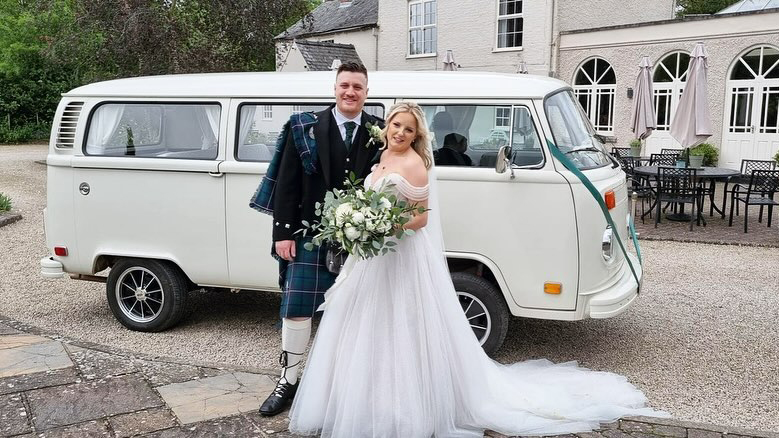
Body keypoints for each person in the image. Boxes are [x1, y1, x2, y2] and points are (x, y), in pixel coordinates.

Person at [287, 102, 668, 437]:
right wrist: (361, 223)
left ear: (416, 134)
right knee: (366, 325)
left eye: (408, 128)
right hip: (374, 258)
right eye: (396, 125)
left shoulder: (415, 164)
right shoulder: (381, 158)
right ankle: (364, 399)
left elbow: (420, 219)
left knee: (404, 325)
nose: (400, 132)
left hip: (401, 254)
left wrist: (380, 226)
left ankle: (407, 405)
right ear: (386, 126)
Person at [256, 62, 384, 416]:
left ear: (366, 93)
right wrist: (282, 233)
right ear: (335, 88)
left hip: (360, 241)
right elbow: (287, 183)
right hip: (309, 236)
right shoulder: (305, 126)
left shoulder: (380, 130)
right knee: (297, 311)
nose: (350, 92)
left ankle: (339, 385)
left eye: (358, 87)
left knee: (353, 316)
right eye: (345, 85)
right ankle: (288, 381)